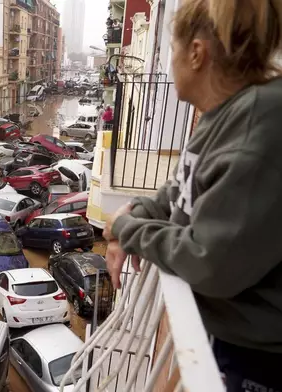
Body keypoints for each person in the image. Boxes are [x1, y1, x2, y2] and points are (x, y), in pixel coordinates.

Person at [103, 0, 282, 390]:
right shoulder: (225, 114)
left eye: (173, 49)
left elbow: (210, 262)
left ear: (196, 53)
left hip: (258, 364)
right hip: (232, 342)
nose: (171, 61)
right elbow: (178, 188)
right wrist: (136, 216)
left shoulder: (258, 124)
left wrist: (128, 228)